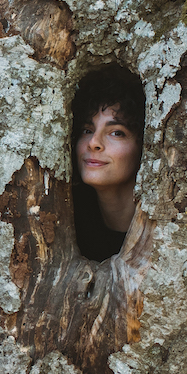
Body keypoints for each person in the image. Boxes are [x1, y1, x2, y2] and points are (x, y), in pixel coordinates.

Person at [71, 68, 144, 261]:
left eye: (117, 133)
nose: (93, 142)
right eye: (87, 130)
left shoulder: (167, 227)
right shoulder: (67, 215)